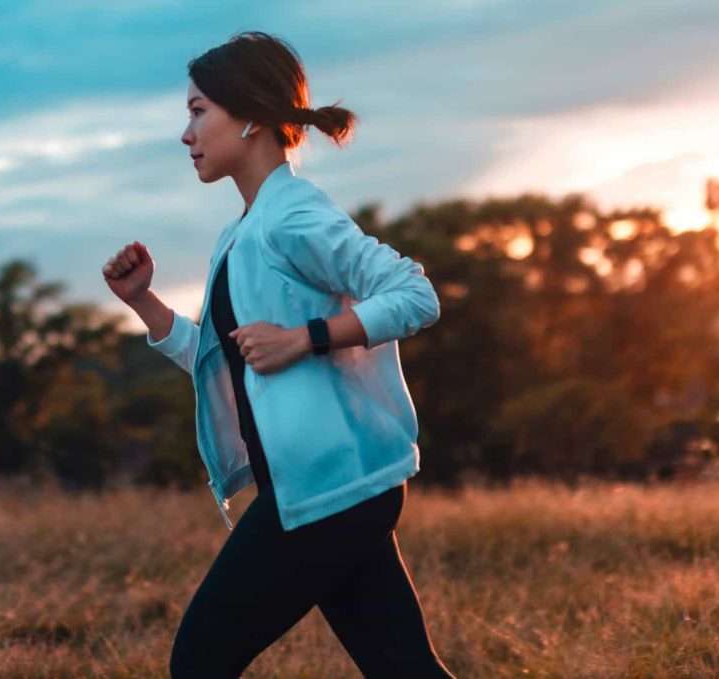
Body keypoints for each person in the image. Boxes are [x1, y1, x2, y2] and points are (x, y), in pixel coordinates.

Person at [102, 30, 456, 679]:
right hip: (326, 489)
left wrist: (307, 337)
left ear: (254, 117)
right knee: (403, 666)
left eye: (199, 110)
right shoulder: (242, 233)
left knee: (202, 655)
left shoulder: (293, 217)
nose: (187, 132)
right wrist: (144, 304)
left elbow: (414, 293)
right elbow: (225, 361)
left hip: (334, 490)